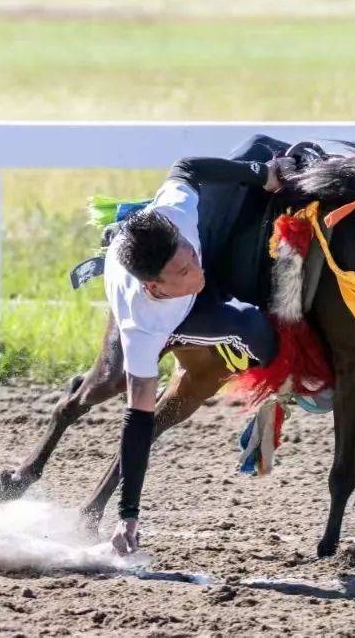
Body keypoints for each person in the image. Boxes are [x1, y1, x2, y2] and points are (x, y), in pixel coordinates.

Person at [106, 135, 295, 556]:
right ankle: (272, 391)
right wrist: (128, 514)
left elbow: (187, 165)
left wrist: (262, 176)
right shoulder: (144, 325)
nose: (196, 267)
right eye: (183, 269)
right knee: (254, 329)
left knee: (259, 146)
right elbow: (137, 422)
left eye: (190, 255)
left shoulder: (176, 214)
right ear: (155, 286)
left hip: (164, 242)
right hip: (184, 313)